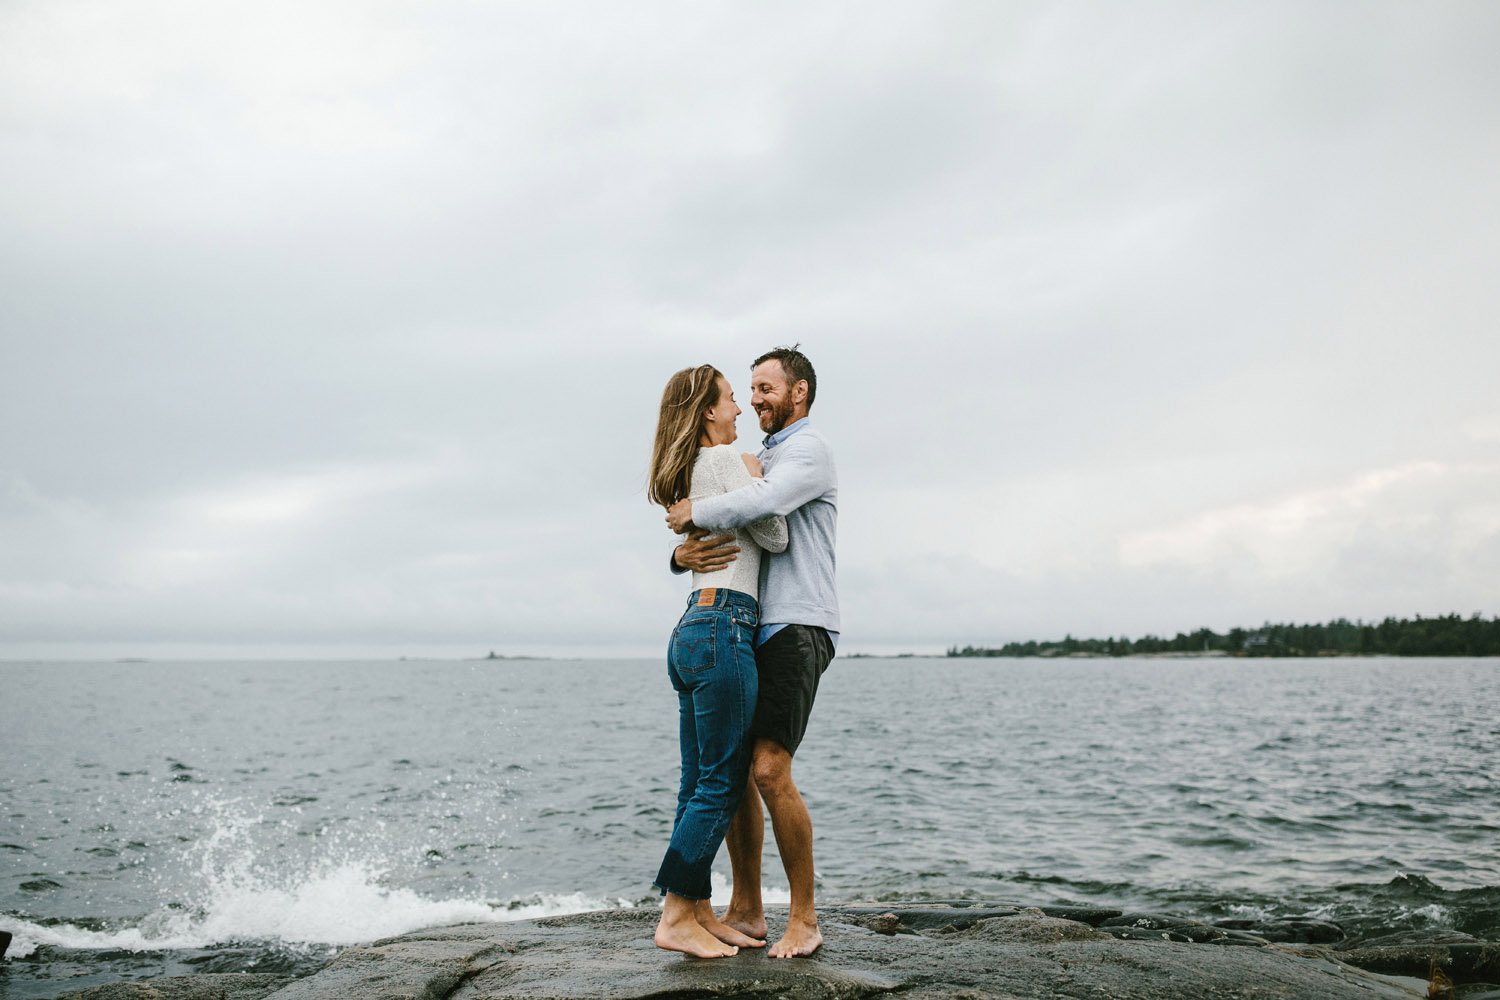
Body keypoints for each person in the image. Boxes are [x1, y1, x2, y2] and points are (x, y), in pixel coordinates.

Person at [666, 346, 838, 958]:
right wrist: (681, 550)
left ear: (799, 393)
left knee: (768, 768)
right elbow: (734, 535)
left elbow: (763, 508)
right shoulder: (751, 455)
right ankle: (746, 907)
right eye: (747, 390)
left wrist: (692, 514)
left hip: (796, 623)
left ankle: (806, 919)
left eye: (765, 387)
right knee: (735, 767)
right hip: (743, 625)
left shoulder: (806, 453)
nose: (753, 398)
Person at [647, 363, 788, 958]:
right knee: (723, 780)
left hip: (692, 629)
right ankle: (677, 914)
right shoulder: (730, 464)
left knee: (695, 780)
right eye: (731, 400)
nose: (738, 411)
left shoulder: (693, 470)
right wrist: (758, 477)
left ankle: (698, 909)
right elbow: (777, 536)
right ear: (708, 410)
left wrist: (682, 555)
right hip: (726, 625)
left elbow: (699, 547)